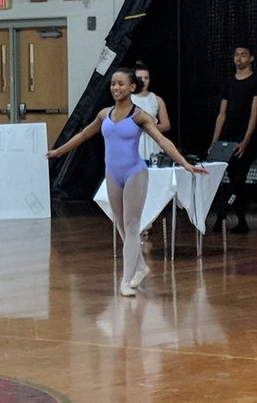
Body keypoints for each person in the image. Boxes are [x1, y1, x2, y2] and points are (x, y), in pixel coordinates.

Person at [46, 67, 205, 296]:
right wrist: (59, 151)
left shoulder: (140, 116)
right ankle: (139, 267)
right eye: (113, 84)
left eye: (121, 84)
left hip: (134, 173)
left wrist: (184, 163)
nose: (115, 88)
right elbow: (83, 135)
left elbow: (163, 141)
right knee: (120, 224)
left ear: (132, 87)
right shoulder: (104, 114)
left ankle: (125, 279)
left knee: (132, 227)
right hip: (112, 174)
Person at [210, 43, 257, 234]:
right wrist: (215, 141)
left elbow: (254, 114)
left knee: (238, 180)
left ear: (251, 58)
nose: (239, 58)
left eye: (243, 55)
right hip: (227, 137)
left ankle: (221, 215)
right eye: (236, 55)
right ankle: (242, 222)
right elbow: (222, 114)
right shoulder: (229, 83)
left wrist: (246, 140)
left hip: (247, 138)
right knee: (231, 177)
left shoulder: (255, 81)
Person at [131, 61, 171, 163]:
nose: (143, 81)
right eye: (140, 78)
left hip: (152, 141)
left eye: (146, 78)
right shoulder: (127, 99)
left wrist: (149, 127)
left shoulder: (157, 99)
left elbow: (166, 125)